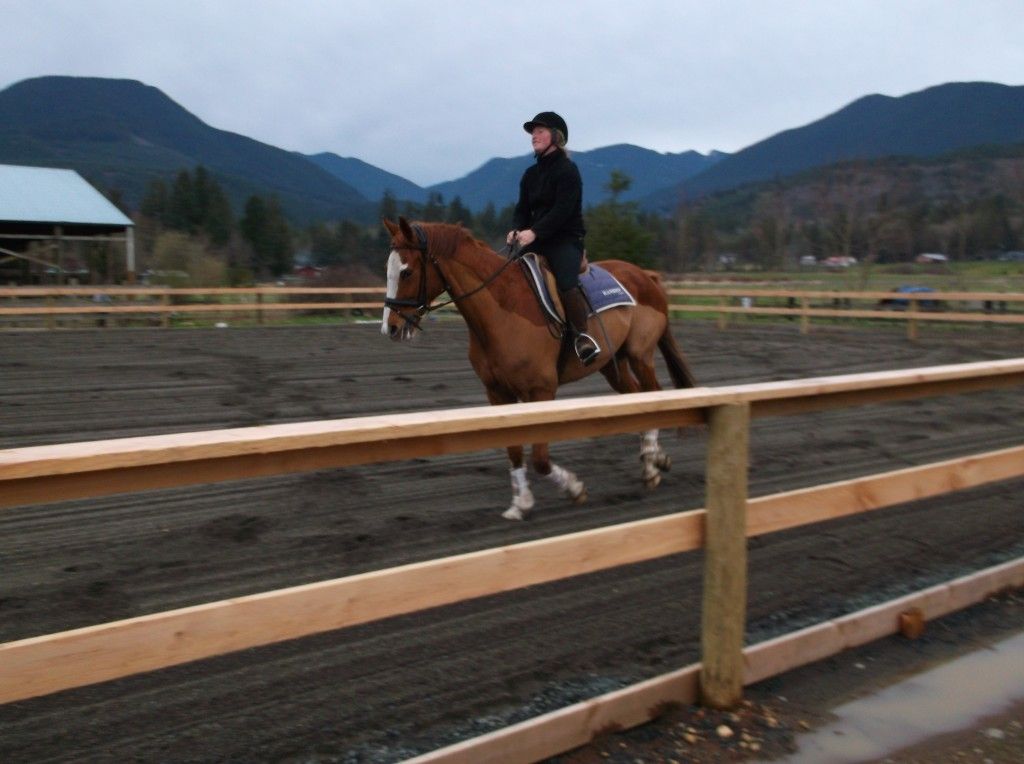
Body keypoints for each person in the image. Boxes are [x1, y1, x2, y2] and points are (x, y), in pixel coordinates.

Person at [507, 111, 600, 365]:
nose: (534, 136)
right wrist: (517, 229)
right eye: (532, 132)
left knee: (566, 282)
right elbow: (522, 209)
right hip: (536, 239)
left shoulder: (568, 171)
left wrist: (534, 231)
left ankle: (582, 338)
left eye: (540, 131)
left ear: (556, 137)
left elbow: (562, 211)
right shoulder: (530, 174)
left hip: (565, 238)